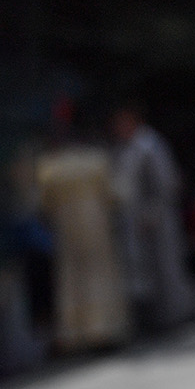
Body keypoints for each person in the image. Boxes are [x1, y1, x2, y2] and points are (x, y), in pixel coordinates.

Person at [36, 115, 129, 351]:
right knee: (100, 275)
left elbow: (44, 204)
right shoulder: (96, 160)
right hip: (95, 222)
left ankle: (78, 332)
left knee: (72, 278)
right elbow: (113, 194)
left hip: (66, 227)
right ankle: (105, 328)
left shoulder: (49, 167)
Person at [109, 104, 194, 329]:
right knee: (148, 271)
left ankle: (178, 314)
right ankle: (160, 317)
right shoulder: (126, 148)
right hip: (137, 219)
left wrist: (153, 211)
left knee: (167, 266)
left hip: (157, 216)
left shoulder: (150, 145)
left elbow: (165, 182)